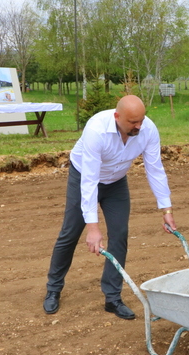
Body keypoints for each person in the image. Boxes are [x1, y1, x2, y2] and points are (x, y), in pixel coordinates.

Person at [44, 95, 177, 320]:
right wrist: (93, 228)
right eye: (133, 122)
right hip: (84, 178)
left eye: (141, 120)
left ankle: (112, 298)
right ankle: (53, 289)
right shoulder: (96, 130)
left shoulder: (148, 129)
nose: (139, 126)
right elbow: (88, 181)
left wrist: (166, 210)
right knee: (70, 233)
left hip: (116, 182)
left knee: (119, 235)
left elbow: (154, 169)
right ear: (117, 117)